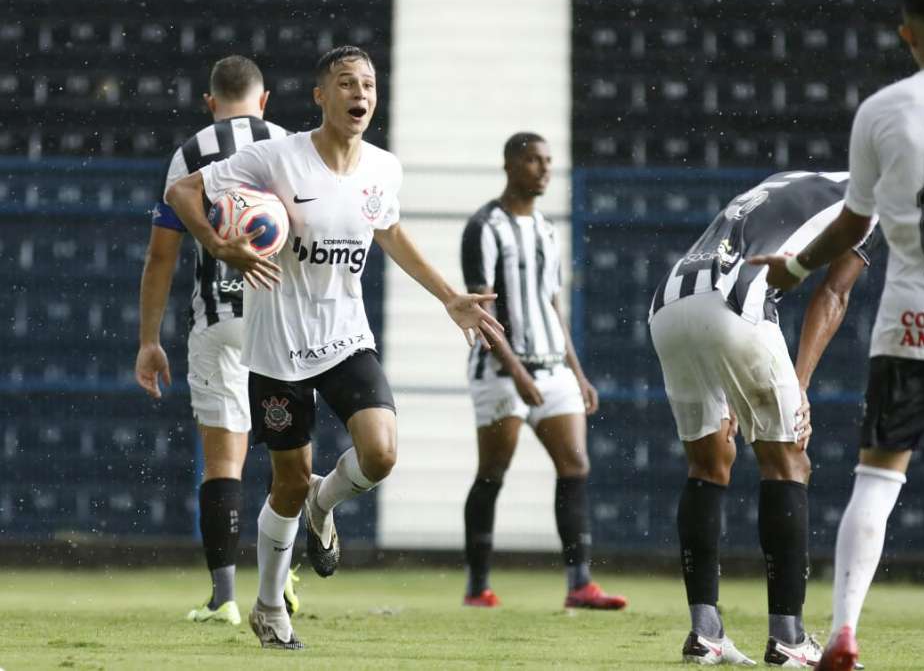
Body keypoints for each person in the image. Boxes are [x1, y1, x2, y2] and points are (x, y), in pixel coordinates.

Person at [166, 45, 503, 650]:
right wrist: (219, 244)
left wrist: (450, 296)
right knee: (287, 483)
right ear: (321, 95)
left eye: (368, 84)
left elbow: (389, 231)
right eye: (347, 83)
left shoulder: (384, 169)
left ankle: (324, 503)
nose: (360, 94)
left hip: (346, 336)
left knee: (381, 453)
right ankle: (269, 608)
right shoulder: (276, 157)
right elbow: (183, 192)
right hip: (276, 346)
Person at [751, 0, 924, 670]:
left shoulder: (880, 110)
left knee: (875, 480)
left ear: (906, 34)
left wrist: (795, 265)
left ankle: (843, 632)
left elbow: (853, 224)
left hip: (908, 327)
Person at [649, 170, 879, 667]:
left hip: (670, 302)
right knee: (789, 462)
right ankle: (788, 638)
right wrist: (800, 384)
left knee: (708, 464)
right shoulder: (872, 197)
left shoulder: (791, 178)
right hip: (735, 303)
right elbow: (834, 294)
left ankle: (705, 633)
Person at [134, 55, 298, 626]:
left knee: (224, 461)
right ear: (264, 100)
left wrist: (149, 340)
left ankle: (224, 598)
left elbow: (161, 256)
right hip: (282, 319)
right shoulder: (289, 145)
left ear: (210, 102)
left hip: (218, 318)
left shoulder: (190, 154)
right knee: (289, 455)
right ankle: (281, 577)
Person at [459, 132, 627, 611]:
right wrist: (516, 372)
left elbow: (552, 304)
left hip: (553, 368)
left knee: (575, 466)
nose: (544, 169)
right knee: (493, 470)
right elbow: (481, 311)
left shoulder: (547, 230)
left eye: (548, 161)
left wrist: (578, 372)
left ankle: (580, 583)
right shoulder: (484, 227)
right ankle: (478, 587)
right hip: (500, 371)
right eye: (533, 160)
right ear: (510, 164)